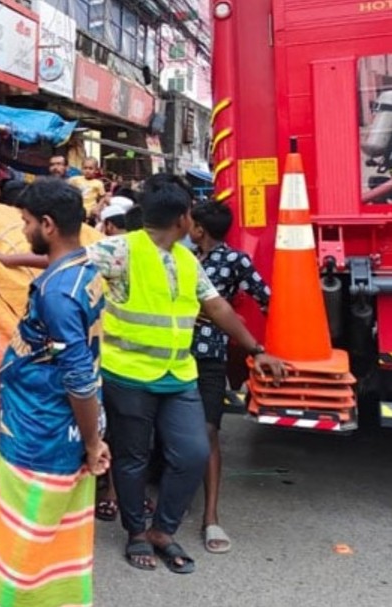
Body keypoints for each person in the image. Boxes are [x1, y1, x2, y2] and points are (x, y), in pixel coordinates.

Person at [0, 174, 286, 573]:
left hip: (178, 376)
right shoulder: (121, 249)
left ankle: (163, 530)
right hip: (127, 376)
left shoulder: (186, 260)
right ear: (183, 218)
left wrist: (256, 350)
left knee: (193, 453)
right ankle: (137, 532)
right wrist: (13, 262)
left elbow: (217, 307)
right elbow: (69, 261)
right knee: (132, 459)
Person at [0, 178, 110, 607]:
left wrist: (93, 443)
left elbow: (77, 378)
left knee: (23, 545)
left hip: (41, 437)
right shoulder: (83, 269)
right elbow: (33, 343)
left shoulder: (57, 295)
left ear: (47, 224)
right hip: (52, 428)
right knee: (55, 541)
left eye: (26, 222)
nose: (23, 230)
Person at [189, 201, 271, 555]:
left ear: (200, 229)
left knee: (209, 431)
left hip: (210, 357)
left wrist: (267, 346)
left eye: (191, 223)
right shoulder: (183, 257)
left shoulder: (236, 260)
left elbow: (266, 297)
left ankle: (211, 517)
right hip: (173, 354)